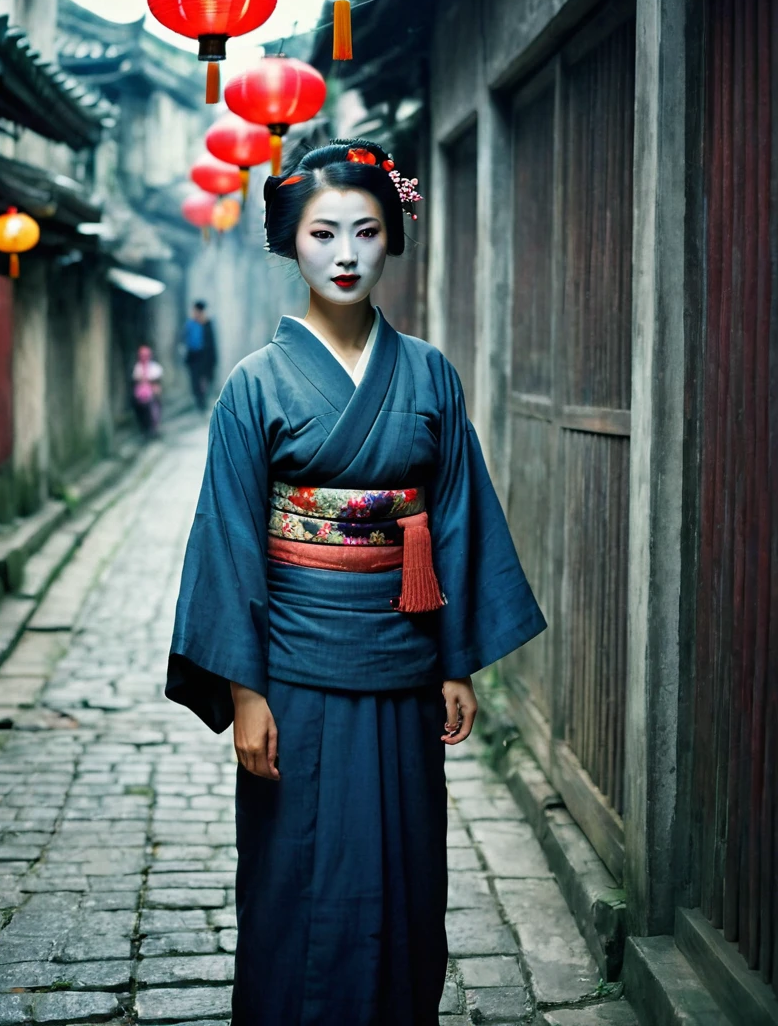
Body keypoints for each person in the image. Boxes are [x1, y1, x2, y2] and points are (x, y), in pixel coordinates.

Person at [166, 139, 547, 1025]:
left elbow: (455, 520)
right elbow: (227, 541)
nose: (345, 254)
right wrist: (244, 688)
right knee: (294, 875)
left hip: (403, 665)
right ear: (289, 243)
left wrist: (455, 662)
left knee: (404, 868)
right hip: (294, 671)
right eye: (323, 233)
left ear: (392, 239)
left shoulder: (429, 376)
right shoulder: (253, 388)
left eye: (367, 232)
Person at [183, 300, 218, 410]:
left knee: (204, 382)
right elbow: (185, 339)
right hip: (193, 358)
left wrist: (213, 360)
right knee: (195, 383)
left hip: (205, 358)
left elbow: (212, 343)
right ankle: (200, 404)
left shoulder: (207, 324)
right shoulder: (190, 324)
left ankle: (203, 404)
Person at [131, 345, 162, 438]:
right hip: (141, 396)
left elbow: (157, 381)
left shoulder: (154, 367)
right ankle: (144, 429)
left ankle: (153, 428)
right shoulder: (138, 367)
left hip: (152, 395)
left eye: (145, 355)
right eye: (142, 355)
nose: (143, 357)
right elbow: (136, 380)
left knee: (153, 410)